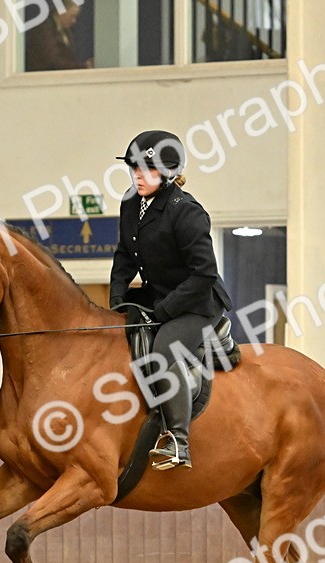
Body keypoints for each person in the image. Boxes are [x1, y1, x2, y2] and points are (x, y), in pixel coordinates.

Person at [109, 130, 233, 470]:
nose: (138, 176)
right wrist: (117, 299)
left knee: (164, 353)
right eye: (134, 168)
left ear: (167, 174)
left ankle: (178, 441)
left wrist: (164, 312)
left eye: (147, 170)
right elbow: (125, 255)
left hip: (197, 301)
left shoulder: (186, 211)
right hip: (157, 291)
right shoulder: (131, 202)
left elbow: (204, 273)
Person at [25, 1, 92, 71]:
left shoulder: (65, 31)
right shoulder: (43, 30)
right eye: (72, 16)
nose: (74, 21)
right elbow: (53, 61)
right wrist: (82, 66)